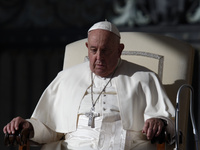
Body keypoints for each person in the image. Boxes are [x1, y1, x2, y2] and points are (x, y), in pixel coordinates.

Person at [3, 21, 175, 150]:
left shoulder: (144, 78)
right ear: (87, 48)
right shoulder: (66, 78)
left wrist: (159, 121)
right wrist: (28, 126)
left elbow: (168, 122)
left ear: (120, 49)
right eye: (93, 50)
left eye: (106, 50)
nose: (98, 57)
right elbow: (49, 127)